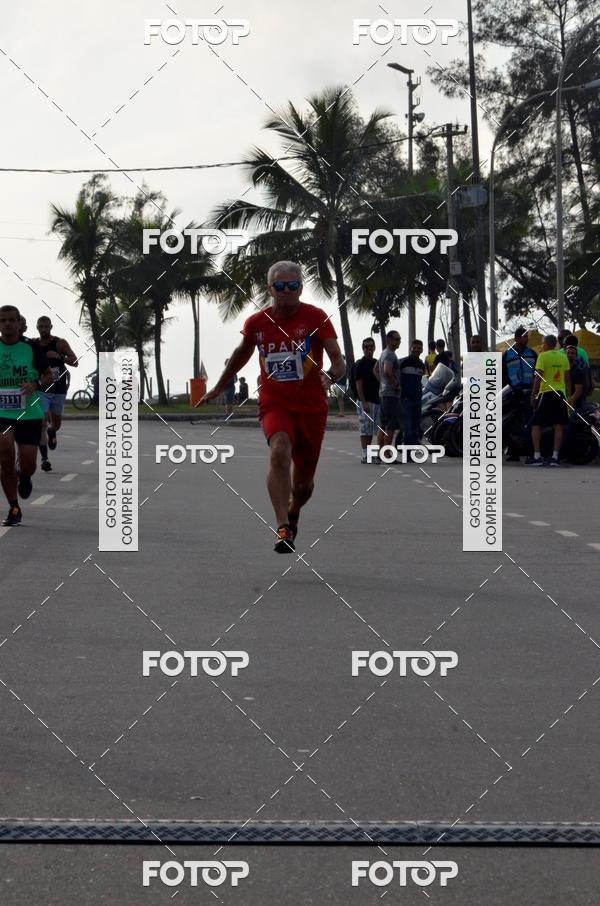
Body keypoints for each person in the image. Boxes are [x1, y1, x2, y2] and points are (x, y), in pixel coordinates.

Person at [200, 261, 345, 553]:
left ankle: (293, 511)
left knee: (303, 486)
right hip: (274, 402)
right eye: (280, 286)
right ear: (270, 289)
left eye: (293, 286)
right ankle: (282, 527)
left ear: (301, 288)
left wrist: (331, 374)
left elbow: (337, 358)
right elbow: (239, 356)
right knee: (279, 449)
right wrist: (218, 386)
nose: (287, 292)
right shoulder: (257, 323)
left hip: (312, 408)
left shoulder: (316, 317)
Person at [0, 305, 52, 525]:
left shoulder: (31, 347)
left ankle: (25, 475)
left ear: (18, 323)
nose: (7, 324)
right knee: (5, 457)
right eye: (3, 321)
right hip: (2, 412)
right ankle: (13, 508)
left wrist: (35, 384)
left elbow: (48, 376)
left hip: (28, 412)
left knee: (29, 462)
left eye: (11, 320)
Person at [35, 316, 78, 472]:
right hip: (42, 390)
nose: (44, 329)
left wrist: (60, 357)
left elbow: (75, 361)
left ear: (51, 327)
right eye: (41, 327)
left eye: (46, 326)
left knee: (56, 424)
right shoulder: (34, 345)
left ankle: (52, 432)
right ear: (37, 328)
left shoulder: (60, 343)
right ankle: (45, 459)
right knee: (41, 422)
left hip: (59, 390)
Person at [529, 334, 568, 467]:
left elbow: (538, 378)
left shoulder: (542, 356)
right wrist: (567, 395)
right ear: (556, 344)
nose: (542, 345)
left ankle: (537, 456)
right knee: (558, 425)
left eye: (542, 343)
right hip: (560, 394)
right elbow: (567, 379)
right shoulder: (563, 357)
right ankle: (555, 457)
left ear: (546, 344)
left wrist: (533, 395)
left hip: (546, 393)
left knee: (536, 424)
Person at [501, 326, 538, 462]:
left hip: (529, 394)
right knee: (511, 423)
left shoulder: (533, 354)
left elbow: (537, 374)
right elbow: (502, 375)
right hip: (513, 394)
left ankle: (530, 453)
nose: (526, 339)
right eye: (524, 336)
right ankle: (514, 452)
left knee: (528, 423)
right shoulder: (507, 354)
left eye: (527, 336)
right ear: (516, 338)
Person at [373, 330, 402, 451]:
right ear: (389, 340)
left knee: (383, 425)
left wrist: (382, 382)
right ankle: (387, 453)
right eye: (397, 339)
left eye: (399, 339)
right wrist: (395, 384)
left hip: (384, 393)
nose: (399, 341)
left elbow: (375, 370)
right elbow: (386, 371)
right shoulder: (390, 354)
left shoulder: (383, 353)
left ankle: (381, 452)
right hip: (390, 395)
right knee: (390, 426)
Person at [354, 337, 380, 463]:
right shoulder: (360, 364)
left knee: (371, 429)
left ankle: (370, 454)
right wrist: (363, 402)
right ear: (363, 349)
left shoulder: (376, 362)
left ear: (374, 348)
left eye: (371, 346)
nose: (369, 348)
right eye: (366, 347)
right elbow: (359, 384)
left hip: (377, 400)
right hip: (365, 401)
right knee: (365, 428)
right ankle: (365, 455)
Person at [398, 340, 426, 451]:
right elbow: (396, 378)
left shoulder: (421, 365)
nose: (416, 350)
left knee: (415, 429)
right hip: (405, 400)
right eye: (414, 347)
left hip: (417, 400)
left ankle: (412, 453)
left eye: (419, 348)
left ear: (422, 350)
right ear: (410, 348)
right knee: (407, 428)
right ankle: (407, 454)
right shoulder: (403, 363)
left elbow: (421, 380)